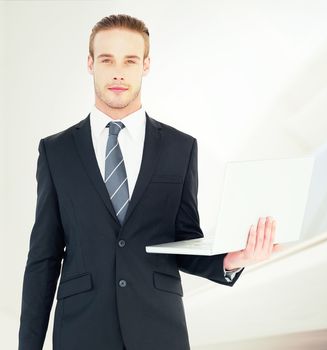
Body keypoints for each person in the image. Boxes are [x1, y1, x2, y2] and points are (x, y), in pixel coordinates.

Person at [18, 14, 281, 350]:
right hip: (81, 330)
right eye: (106, 59)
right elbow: (44, 256)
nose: (117, 72)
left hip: (159, 329)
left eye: (129, 60)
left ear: (145, 65)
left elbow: (183, 242)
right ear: (90, 64)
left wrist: (231, 259)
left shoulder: (180, 147)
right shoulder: (57, 151)